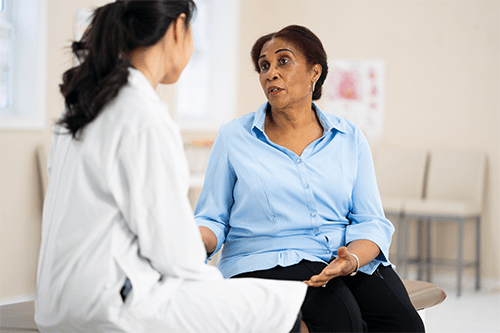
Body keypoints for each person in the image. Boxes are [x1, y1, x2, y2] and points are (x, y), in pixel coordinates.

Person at [34, 2, 307, 332]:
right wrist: (214, 276)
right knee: (282, 308)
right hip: (109, 306)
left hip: (58, 302)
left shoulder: (81, 108)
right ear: (179, 27)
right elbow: (175, 257)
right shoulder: (142, 116)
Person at [195, 25, 425, 333]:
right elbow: (212, 217)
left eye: (283, 61)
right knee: (343, 321)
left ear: (314, 72)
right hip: (268, 259)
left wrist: (353, 259)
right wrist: (194, 241)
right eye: (264, 66)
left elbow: (371, 220)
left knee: (405, 324)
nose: (270, 73)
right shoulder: (234, 137)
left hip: (341, 256)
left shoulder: (349, 136)